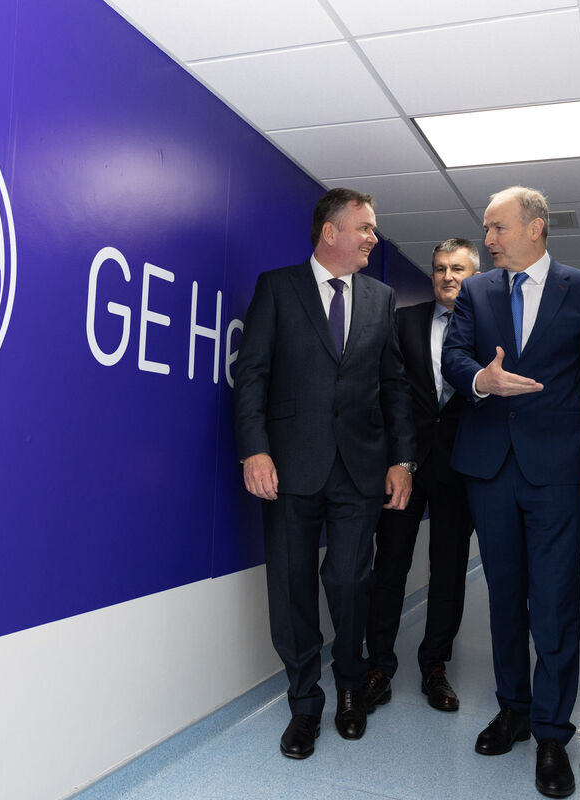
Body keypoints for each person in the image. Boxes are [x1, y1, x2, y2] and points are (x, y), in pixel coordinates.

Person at [442, 186, 580, 798]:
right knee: (504, 597)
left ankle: (551, 732)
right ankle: (513, 707)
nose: (487, 239)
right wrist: (480, 381)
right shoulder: (479, 292)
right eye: (486, 229)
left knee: (555, 603)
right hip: (490, 468)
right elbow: (454, 359)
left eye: (498, 228)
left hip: (557, 471)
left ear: (536, 227)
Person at [233, 188, 417, 760]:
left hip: (359, 467)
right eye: (364, 227)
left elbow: (394, 385)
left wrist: (402, 459)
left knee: (347, 581)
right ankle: (304, 705)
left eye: (374, 227)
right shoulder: (278, 288)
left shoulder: (381, 298)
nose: (372, 237)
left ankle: (350, 689)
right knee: (291, 585)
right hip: (289, 466)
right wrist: (253, 450)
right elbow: (253, 375)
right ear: (330, 232)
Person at [362, 238, 479, 715]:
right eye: (439, 269)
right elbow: (390, 395)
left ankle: (434, 665)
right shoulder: (403, 322)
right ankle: (379, 666)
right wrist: (399, 459)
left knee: (448, 572)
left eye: (457, 269)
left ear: (475, 274)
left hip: (462, 467)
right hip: (404, 466)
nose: (447, 276)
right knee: (389, 566)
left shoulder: (491, 328)